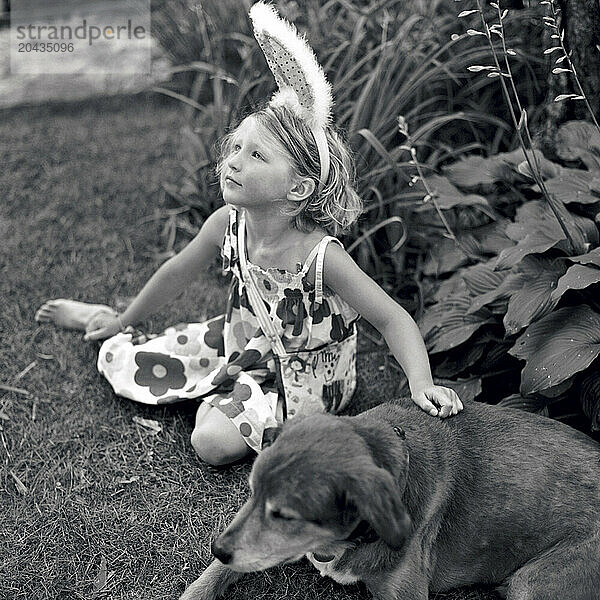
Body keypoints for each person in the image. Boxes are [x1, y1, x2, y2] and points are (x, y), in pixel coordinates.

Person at [35, 2, 462, 467]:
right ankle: (106, 321)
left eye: (257, 156)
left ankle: (226, 397)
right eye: (235, 146)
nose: (234, 160)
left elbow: (391, 319)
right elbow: (176, 272)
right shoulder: (227, 224)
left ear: (298, 188)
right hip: (241, 343)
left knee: (211, 444)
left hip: (305, 380)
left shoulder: (320, 257)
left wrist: (422, 383)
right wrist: (121, 322)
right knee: (141, 360)